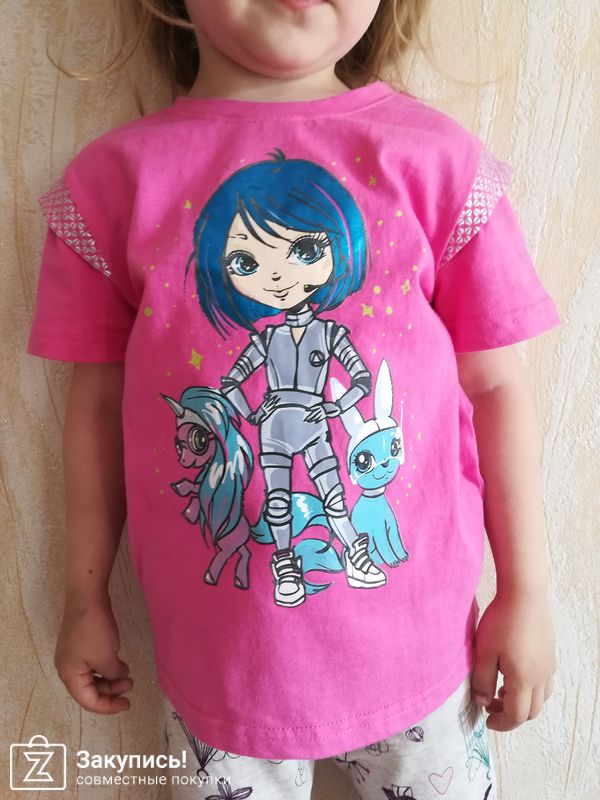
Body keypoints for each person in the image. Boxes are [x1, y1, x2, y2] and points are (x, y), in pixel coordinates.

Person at [26, 1, 559, 797]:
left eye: (304, 251)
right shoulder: (114, 184)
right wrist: (83, 595)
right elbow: (101, 412)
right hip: (221, 673)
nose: (278, 276)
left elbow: (495, 385)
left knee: (332, 488)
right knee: (283, 494)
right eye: (249, 260)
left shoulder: (436, 162)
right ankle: (287, 563)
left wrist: (527, 592)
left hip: (424, 658)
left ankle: (352, 547)